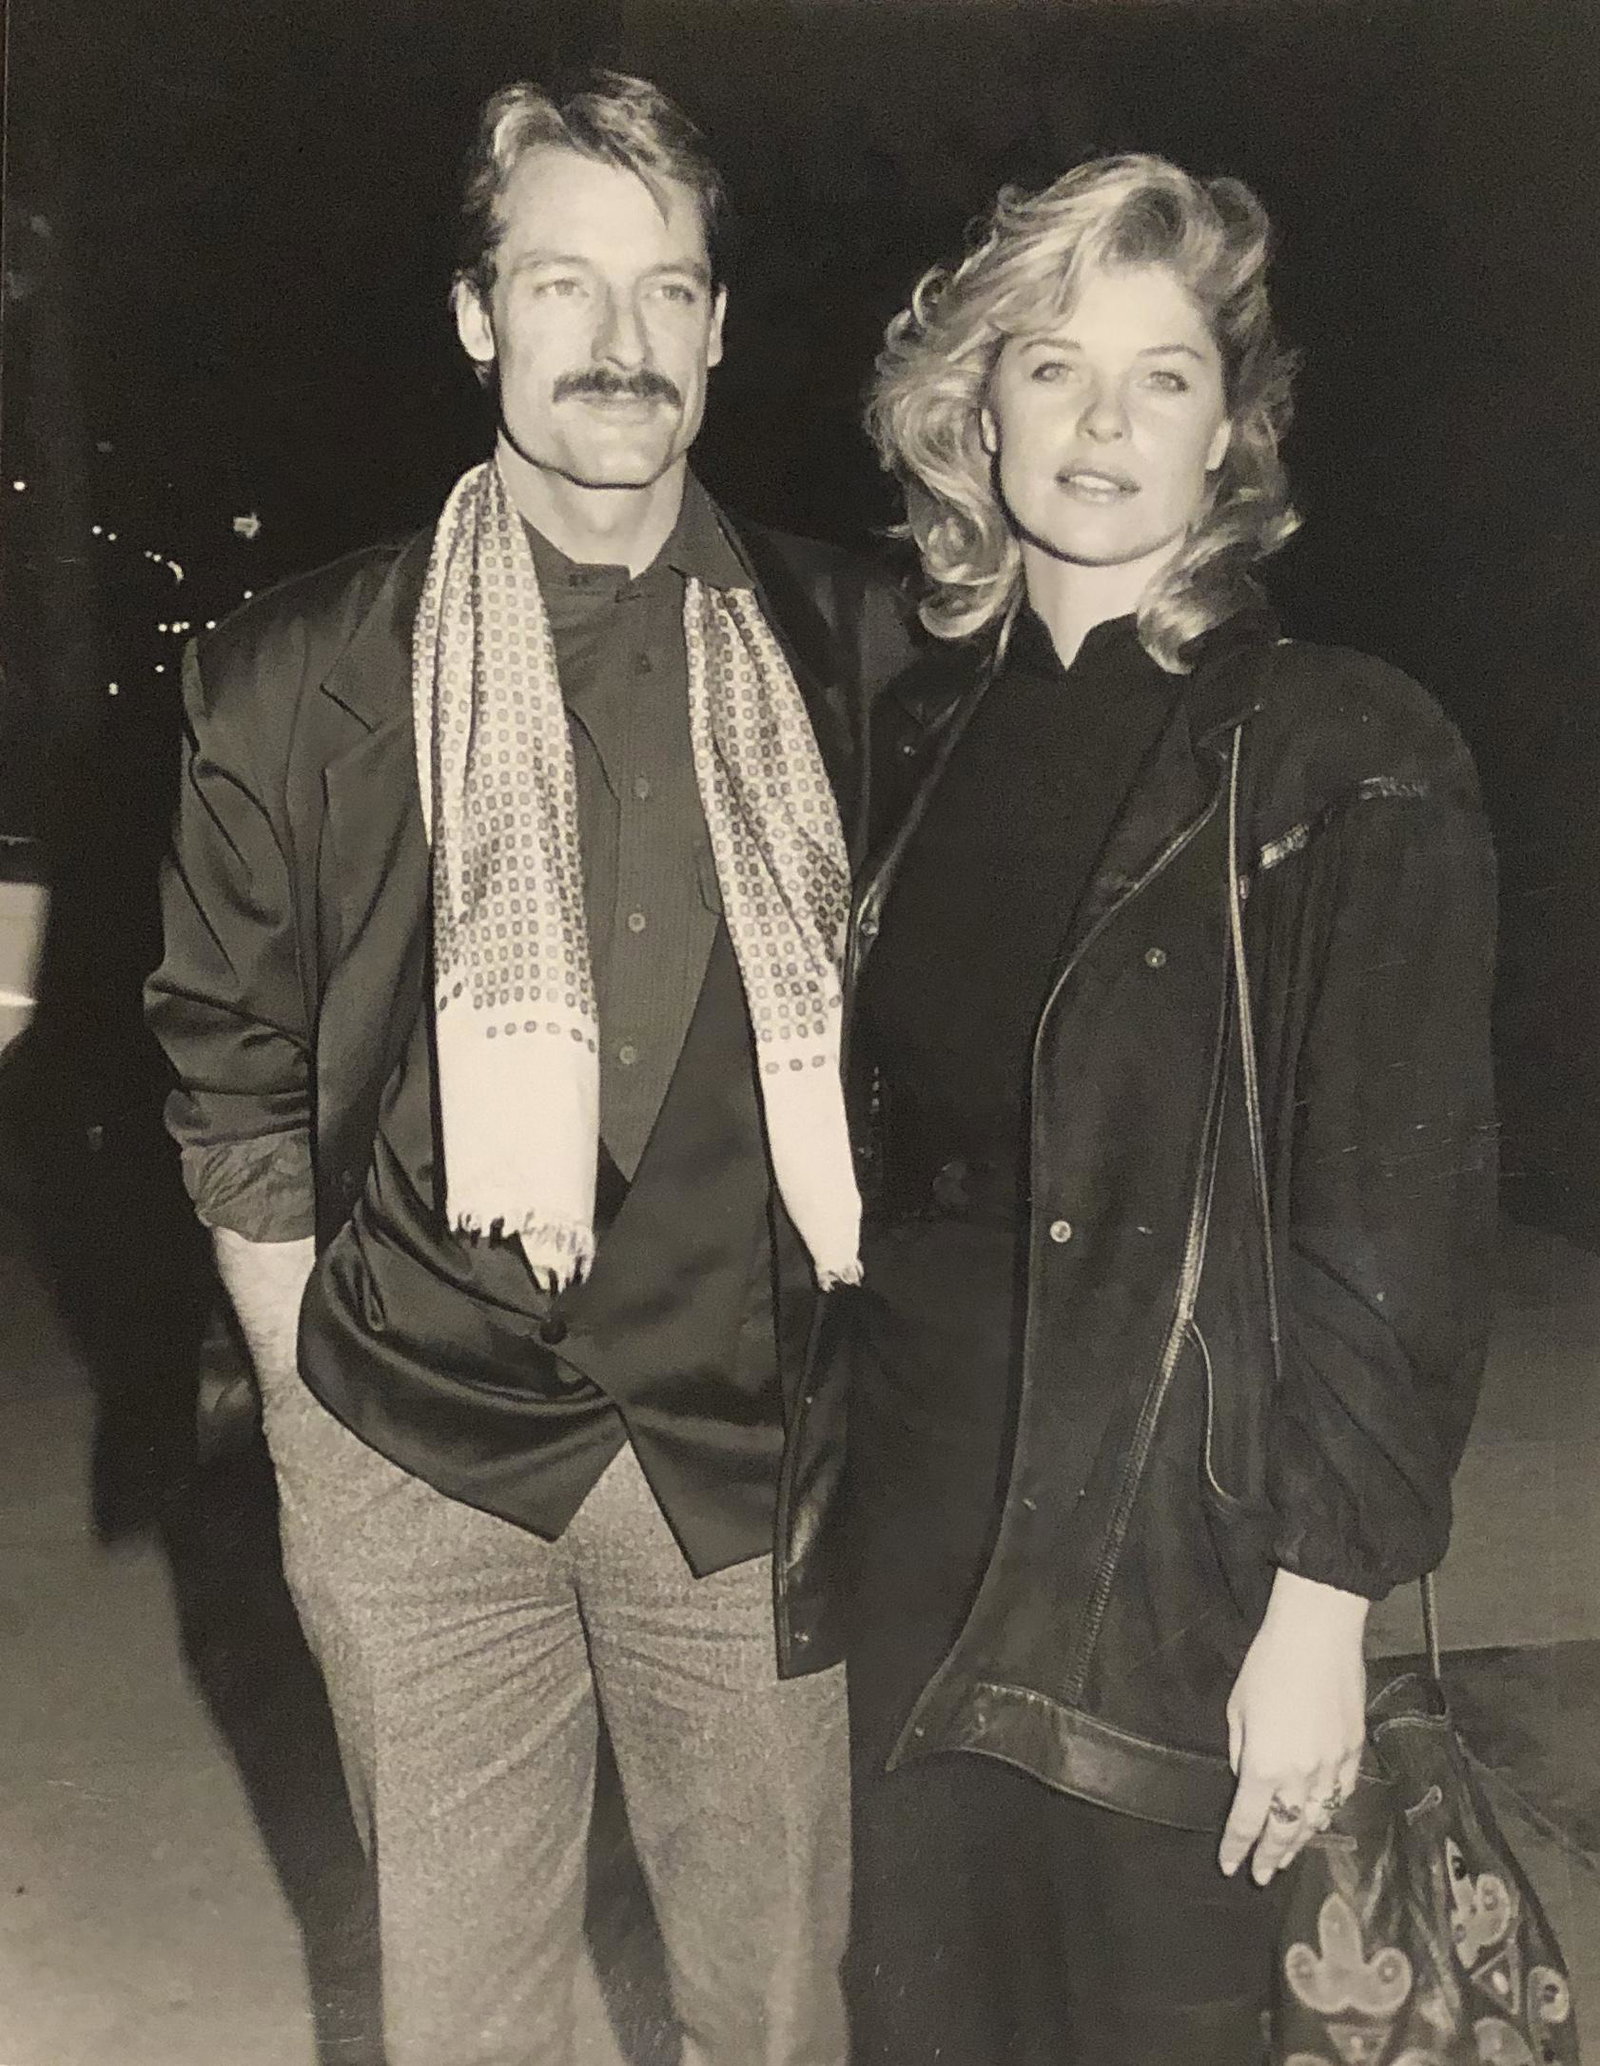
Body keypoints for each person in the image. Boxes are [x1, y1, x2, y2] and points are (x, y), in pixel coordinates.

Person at [145, 69, 910, 2066]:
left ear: (719, 329)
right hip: (413, 1447)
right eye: (563, 284)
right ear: (477, 315)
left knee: (770, 2014)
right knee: (467, 2030)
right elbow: (230, 1074)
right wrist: (315, 1408)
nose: (620, 340)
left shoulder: (866, 653)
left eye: (668, 290)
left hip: (743, 1455)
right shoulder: (291, 676)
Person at [836, 156, 1497, 2064]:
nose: (1105, 423)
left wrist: (1325, 1605)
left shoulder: (1344, 747)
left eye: (1165, 376)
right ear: (977, 412)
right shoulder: (914, 736)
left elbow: (1397, 1219)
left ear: (1233, 435)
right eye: (1053, 367)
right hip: (919, 1522)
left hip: (1179, 1556)